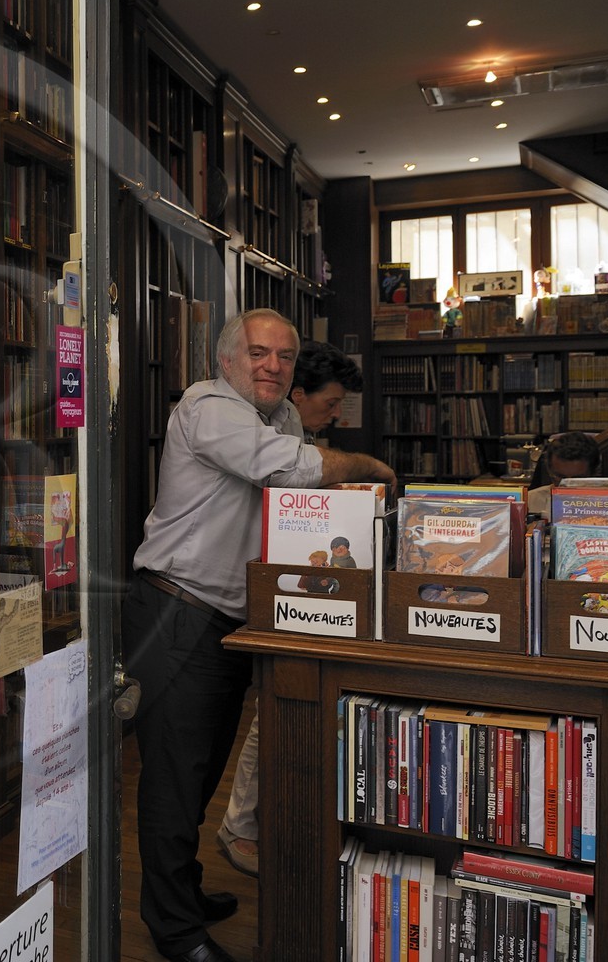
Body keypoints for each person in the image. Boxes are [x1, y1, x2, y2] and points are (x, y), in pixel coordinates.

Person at [125, 309, 393, 962]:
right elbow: (293, 471)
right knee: (173, 778)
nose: (272, 365)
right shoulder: (205, 407)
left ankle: (182, 892)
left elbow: (299, 508)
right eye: (257, 353)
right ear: (226, 361)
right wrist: (369, 467)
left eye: (284, 356)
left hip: (233, 623)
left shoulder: (286, 420)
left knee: (205, 771)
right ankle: (176, 932)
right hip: (177, 610)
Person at [217, 338, 364, 879]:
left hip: (272, 585)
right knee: (273, 705)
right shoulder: (265, 434)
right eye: (329, 403)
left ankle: (252, 823)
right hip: (257, 589)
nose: (337, 413)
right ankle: (241, 825)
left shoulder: (292, 432)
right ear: (297, 396)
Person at [526, 431, 601, 516]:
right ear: (549, 470)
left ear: (593, 473)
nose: (568, 487)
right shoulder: (529, 502)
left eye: (577, 479)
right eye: (561, 477)